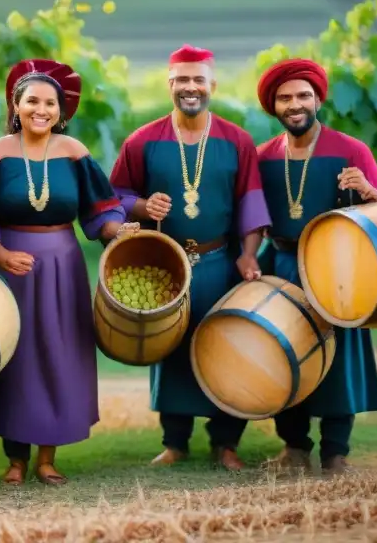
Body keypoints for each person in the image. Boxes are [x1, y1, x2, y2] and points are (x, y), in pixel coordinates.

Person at [0, 59, 138, 486]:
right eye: (32, 101)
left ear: (61, 111)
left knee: (60, 352)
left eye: (50, 103)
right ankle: (15, 459)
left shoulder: (75, 155)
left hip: (62, 264)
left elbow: (100, 208)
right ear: (16, 106)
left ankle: (47, 458)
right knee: (16, 357)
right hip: (12, 265)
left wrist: (117, 230)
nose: (42, 109)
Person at [109, 44, 271, 471]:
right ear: (170, 85)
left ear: (212, 84)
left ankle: (226, 443)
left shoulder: (236, 141)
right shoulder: (142, 141)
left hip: (221, 260)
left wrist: (249, 255)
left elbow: (250, 203)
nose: (190, 87)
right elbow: (114, 200)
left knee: (227, 347)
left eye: (198, 79)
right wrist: (144, 208)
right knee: (171, 347)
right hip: (166, 265)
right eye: (182, 80)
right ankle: (174, 442)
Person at [255, 58, 377, 476]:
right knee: (285, 352)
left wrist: (371, 190)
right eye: (285, 97)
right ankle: (294, 447)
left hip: (339, 266)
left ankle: (336, 452)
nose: (294, 103)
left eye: (303, 95)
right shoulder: (263, 156)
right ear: (274, 106)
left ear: (317, 99)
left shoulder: (351, 149)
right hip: (282, 262)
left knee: (339, 357)